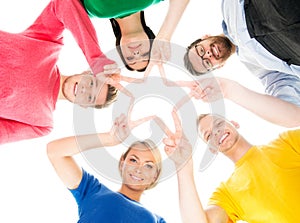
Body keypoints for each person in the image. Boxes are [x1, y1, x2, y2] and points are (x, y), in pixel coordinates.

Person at [0, 0, 119, 145]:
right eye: (92, 84)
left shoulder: (42, 124)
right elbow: (64, 3)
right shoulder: (48, 45)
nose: (85, 89)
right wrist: (95, 58)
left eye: (90, 97)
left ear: (83, 106)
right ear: (86, 72)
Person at [161, 110, 300, 223]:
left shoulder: (286, 141)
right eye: (208, 135)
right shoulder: (227, 193)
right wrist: (184, 167)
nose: (216, 131)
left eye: (219, 124)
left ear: (234, 123)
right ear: (212, 149)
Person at [183, 0, 300, 120]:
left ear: (205, 37)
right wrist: (229, 90)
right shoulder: (259, 68)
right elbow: (287, 106)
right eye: (207, 63)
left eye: (201, 50)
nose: (207, 55)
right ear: (219, 66)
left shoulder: (228, 6)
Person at [47, 114, 166, 222]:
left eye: (148, 166)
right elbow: (55, 152)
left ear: (155, 176)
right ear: (122, 163)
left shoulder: (157, 220)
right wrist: (109, 139)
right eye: (133, 160)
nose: (139, 169)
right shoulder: (92, 190)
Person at [81, 0, 189, 71]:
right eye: (145, 54)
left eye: (130, 58)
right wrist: (165, 36)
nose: (136, 53)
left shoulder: (87, 12)